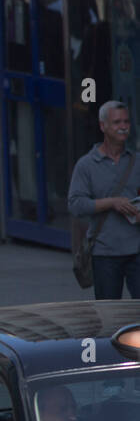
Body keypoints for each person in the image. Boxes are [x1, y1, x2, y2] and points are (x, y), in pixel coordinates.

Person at [68, 100, 140, 299]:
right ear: (103, 126)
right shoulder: (87, 165)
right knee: (109, 316)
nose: (123, 127)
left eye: (126, 122)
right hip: (105, 252)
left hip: (137, 249)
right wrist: (112, 202)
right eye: (117, 122)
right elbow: (75, 205)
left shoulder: (136, 162)